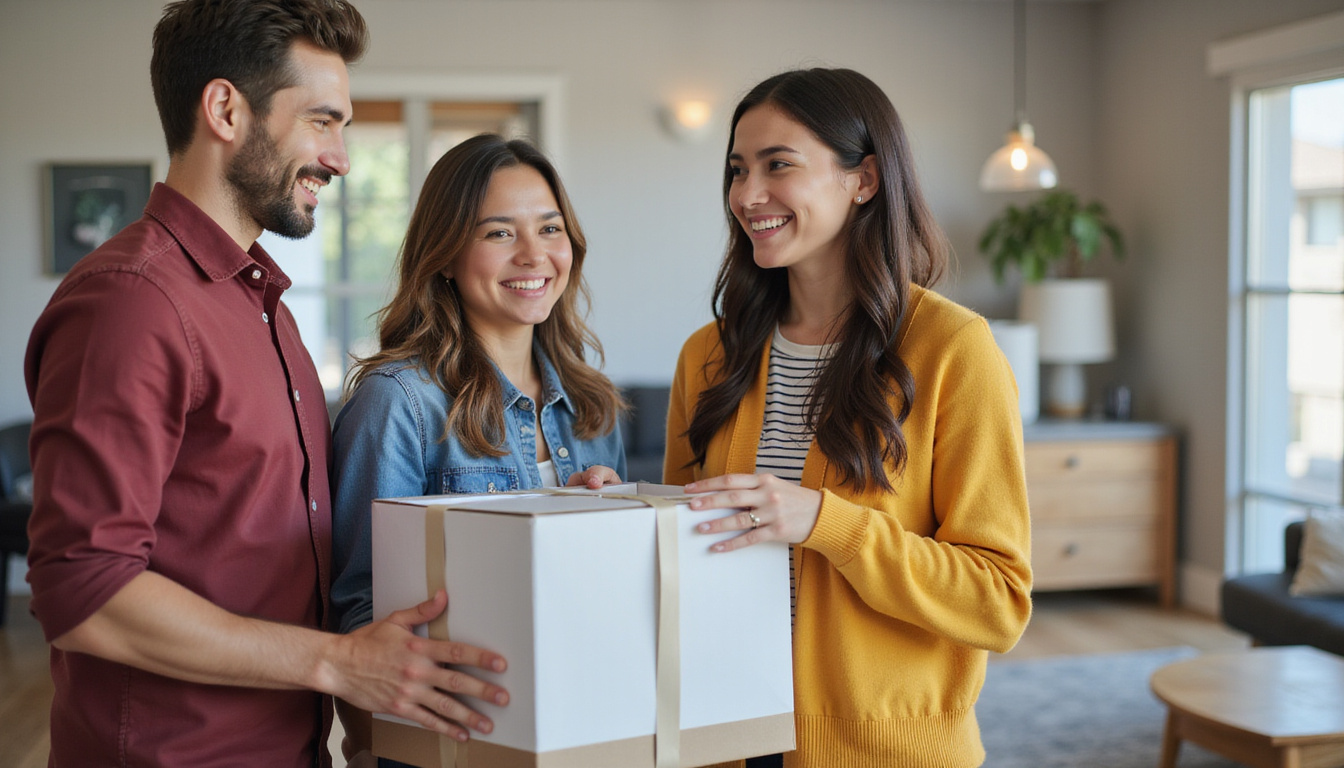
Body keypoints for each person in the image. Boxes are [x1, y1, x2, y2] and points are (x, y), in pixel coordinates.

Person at [23, 2, 507, 766]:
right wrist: (336, 662)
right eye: (321, 121)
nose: (341, 158)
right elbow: (85, 591)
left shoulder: (264, 306)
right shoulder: (131, 301)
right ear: (225, 110)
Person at [663, 68, 1034, 768]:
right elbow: (683, 554)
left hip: (885, 752)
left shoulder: (953, 349)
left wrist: (825, 523)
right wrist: (612, 513)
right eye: (738, 170)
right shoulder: (708, 355)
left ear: (863, 179)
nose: (747, 194)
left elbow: (997, 602)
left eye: (778, 165)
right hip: (723, 737)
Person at [330, 133, 627, 762]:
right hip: (451, 745)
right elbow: (359, 612)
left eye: (549, 228)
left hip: (585, 730)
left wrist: (602, 524)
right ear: (445, 255)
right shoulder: (398, 402)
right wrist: (372, 749)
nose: (534, 255)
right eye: (499, 233)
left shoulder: (592, 404)